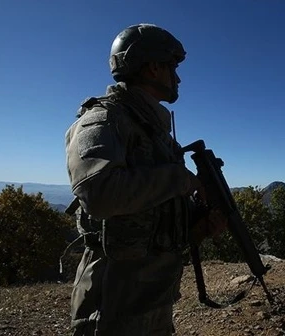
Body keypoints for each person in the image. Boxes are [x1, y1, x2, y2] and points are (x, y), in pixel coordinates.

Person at [64, 23, 226, 335]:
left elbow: (153, 218)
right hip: (112, 307)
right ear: (153, 68)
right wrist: (180, 179)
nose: (177, 78)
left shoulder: (156, 133)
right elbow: (99, 194)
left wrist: (200, 226)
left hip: (153, 300)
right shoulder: (103, 119)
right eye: (172, 68)